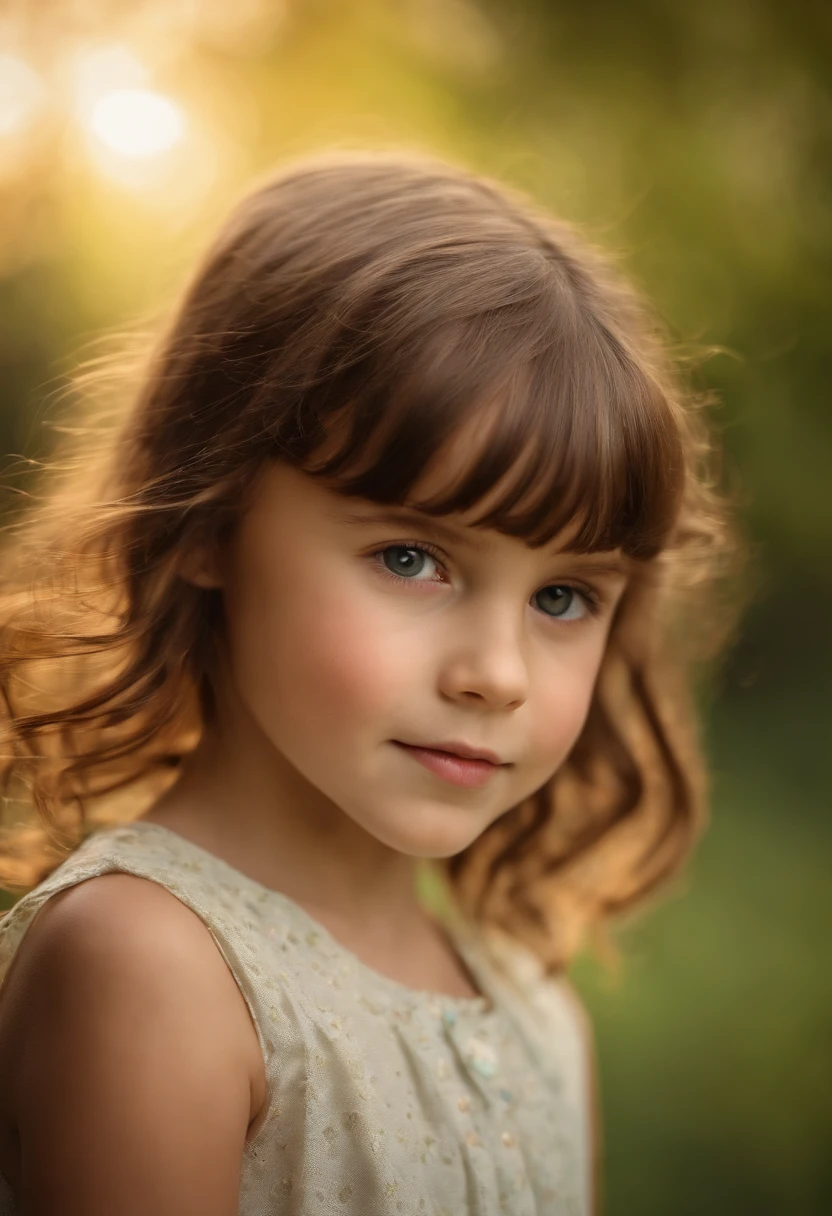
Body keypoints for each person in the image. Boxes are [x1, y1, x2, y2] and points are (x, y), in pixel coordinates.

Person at [0, 149, 736, 1215]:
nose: (495, 675)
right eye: (411, 559)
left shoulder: (528, 1003)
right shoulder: (150, 969)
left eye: (564, 596)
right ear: (209, 517)